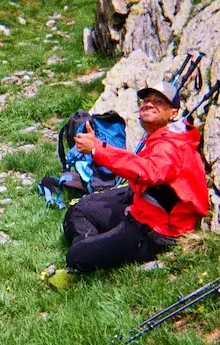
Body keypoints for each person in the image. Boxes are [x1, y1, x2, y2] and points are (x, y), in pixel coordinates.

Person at [64, 81, 209, 272]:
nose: (148, 104)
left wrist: (96, 148)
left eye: (158, 102)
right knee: (80, 209)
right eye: (146, 100)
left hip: (158, 234)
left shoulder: (172, 146)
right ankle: (100, 248)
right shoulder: (160, 138)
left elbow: (147, 171)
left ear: (173, 113)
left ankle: (94, 253)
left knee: (76, 256)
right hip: (139, 213)